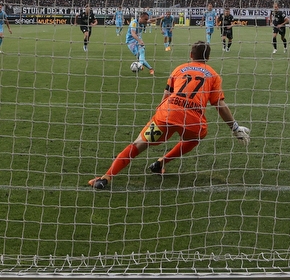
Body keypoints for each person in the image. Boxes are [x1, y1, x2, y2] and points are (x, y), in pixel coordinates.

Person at [88, 41, 250, 190]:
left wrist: (160, 115)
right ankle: (161, 162)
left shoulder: (179, 69)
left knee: (137, 145)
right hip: (192, 122)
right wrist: (234, 127)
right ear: (208, 57)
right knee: (196, 137)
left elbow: (166, 96)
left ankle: (106, 177)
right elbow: (219, 105)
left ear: (191, 55)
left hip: (166, 115)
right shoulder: (213, 75)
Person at [126, 11, 155, 75]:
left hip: (138, 40)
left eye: (147, 19)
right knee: (139, 57)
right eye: (145, 19)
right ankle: (149, 68)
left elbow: (150, 21)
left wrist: (159, 18)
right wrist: (139, 40)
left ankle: (141, 65)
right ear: (141, 18)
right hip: (131, 41)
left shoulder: (143, 22)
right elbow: (133, 34)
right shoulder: (134, 23)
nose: (146, 21)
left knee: (142, 51)